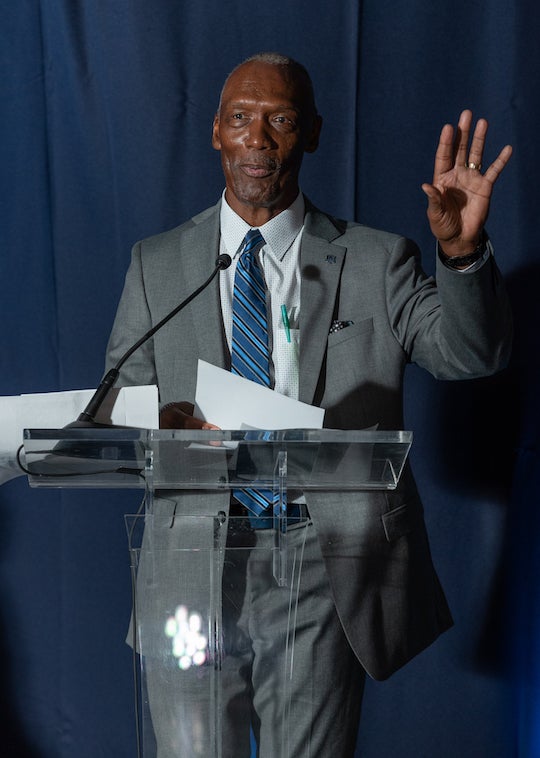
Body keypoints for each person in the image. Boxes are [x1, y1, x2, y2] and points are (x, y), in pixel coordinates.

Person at [106, 52, 513, 757]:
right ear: (215, 132)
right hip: (188, 564)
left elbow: (470, 355)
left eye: (280, 120)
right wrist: (160, 423)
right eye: (240, 119)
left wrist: (463, 254)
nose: (257, 139)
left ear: (313, 134)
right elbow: (117, 403)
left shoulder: (377, 260)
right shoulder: (158, 263)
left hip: (320, 565)